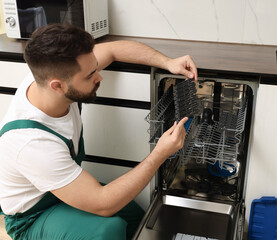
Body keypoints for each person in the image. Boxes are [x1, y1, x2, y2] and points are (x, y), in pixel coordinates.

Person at [0, 23, 197, 240]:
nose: (99, 77)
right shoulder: (32, 143)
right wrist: (161, 153)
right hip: (32, 217)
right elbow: (103, 204)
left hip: (60, 190)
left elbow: (113, 50)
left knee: (137, 219)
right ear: (57, 86)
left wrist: (168, 62)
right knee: (108, 230)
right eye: (90, 75)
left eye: (95, 68)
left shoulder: (50, 79)